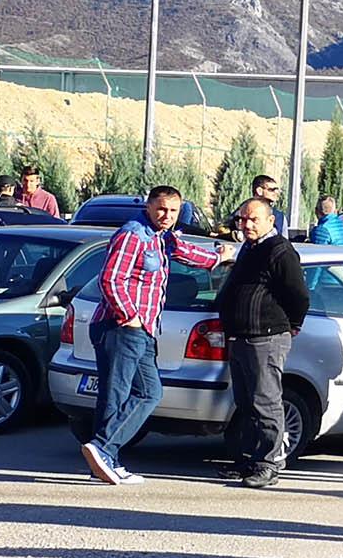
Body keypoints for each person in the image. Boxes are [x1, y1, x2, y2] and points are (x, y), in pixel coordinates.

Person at [80, 185, 233, 485]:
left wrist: (218, 257)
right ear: (149, 206)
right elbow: (111, 278)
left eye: (173, 211)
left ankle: (104, 455)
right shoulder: (133, 234)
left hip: (145, 329)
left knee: (149, 392)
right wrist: (130, 316)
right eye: (161, 209)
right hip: (122, 327)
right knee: (116, 395)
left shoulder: (162, 237)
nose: (167, 215)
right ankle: (104, 454)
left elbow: (184, 252)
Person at [216, 197, 308, 488]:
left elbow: (297, 294)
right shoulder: (249, 248)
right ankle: (247, 460)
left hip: (267, 336)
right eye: (242, 219)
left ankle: (269, 463)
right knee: (245, 402)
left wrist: (292, 324)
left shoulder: (280, 251)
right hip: (241, 336)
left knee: (265, 401)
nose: (246, 225)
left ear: (270, 221)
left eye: (253, 219)